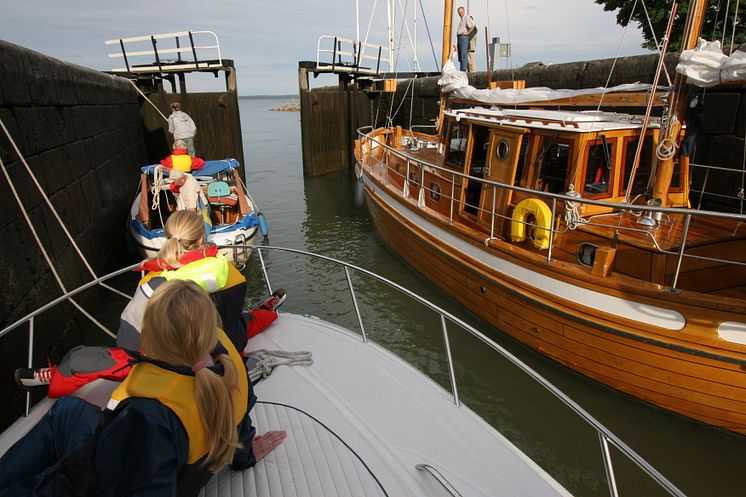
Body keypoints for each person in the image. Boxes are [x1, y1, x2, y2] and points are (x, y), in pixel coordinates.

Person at [0, 279, 287, 497]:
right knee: (69, 411)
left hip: (88, 480)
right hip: (177, 471)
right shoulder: (228, 360)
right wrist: (246, 453)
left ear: (150, 337)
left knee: (63, 414)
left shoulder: (149, 415)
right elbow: (238, 422)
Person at [16, 210, 285, 398]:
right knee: (241, 323)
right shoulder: (228, 272)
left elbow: (129, 335)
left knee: (82, 358)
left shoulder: (153, 280)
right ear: (202, 240)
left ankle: (53, 377)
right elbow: (227, 326)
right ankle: (268, 309)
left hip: (161, 354)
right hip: (213, 343)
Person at [455, 6, 476, 73]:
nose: (460, 14)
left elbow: (472, 26)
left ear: (463, 11)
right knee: (461, 55)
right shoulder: (462, 19)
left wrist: (467, 33)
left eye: (461, 12)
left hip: (463, 38)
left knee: (464, 54)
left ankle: (463, 70)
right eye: (459, 13)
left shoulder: (466, 17)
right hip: (460, 38)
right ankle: (462, 69)